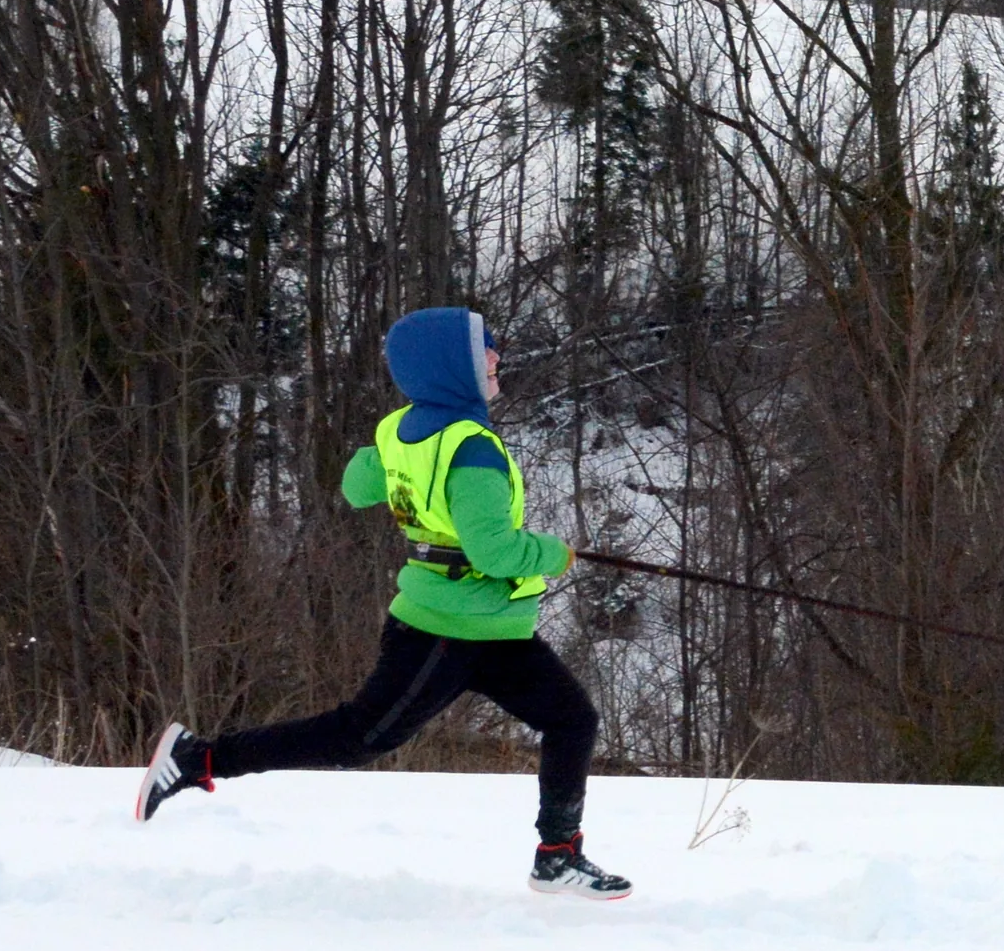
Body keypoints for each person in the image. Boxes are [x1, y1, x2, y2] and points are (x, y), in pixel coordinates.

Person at [132, 306, 631, 900]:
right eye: (487, 353)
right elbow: (496, 552)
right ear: (453, 367)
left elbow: (356, 487)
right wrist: (554, 554)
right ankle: (197, 758)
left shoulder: (400, 429)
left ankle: (557, 856)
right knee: (358, 738)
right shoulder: (474, 450)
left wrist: (396, 460)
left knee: (572, 719)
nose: (498, 359)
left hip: (492, 628)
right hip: (445, 632)